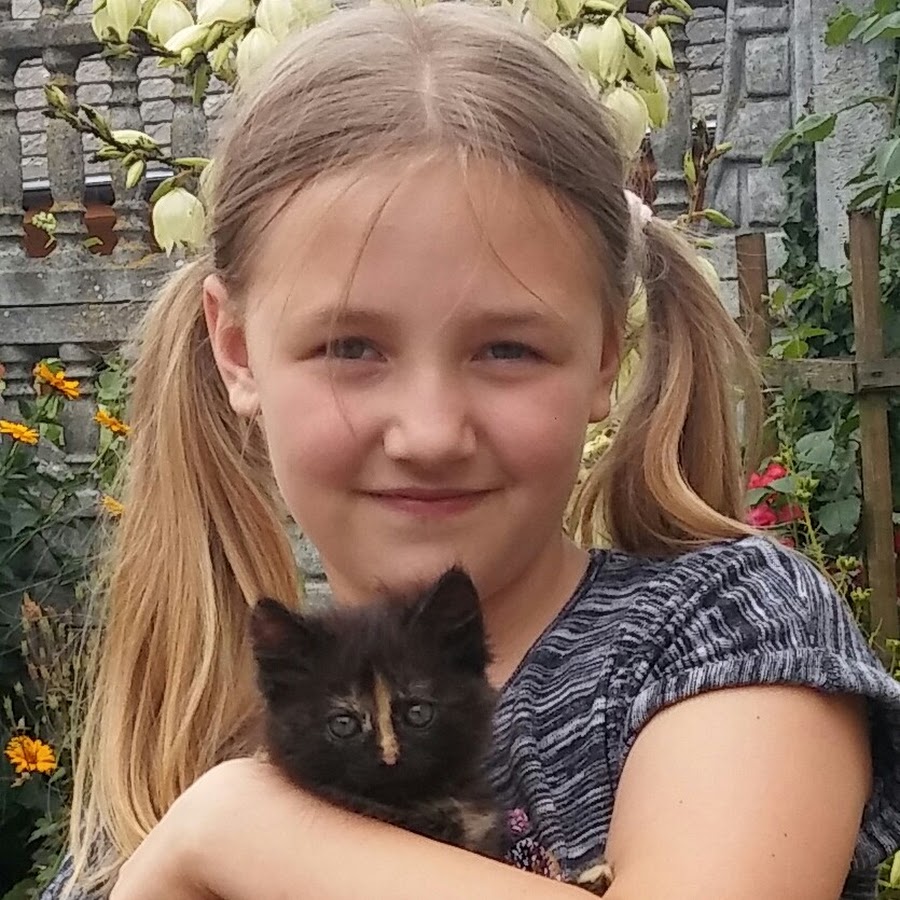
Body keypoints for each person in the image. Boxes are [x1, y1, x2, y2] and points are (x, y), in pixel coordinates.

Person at [44, 3, 900, 898]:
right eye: (351, 347)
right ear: (236, 351)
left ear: (604, 355)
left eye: (506, 349)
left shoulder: (723, 633)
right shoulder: (186, 740)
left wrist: (235, 830)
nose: (430, 434)